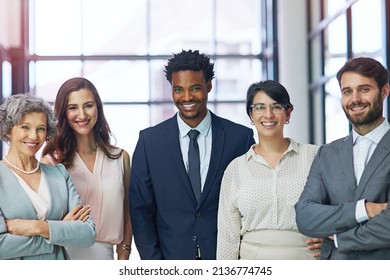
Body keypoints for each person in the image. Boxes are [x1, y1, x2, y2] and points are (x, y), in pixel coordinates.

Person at [129, 49, 255, 260]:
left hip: (227, 259)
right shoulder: (149, 142)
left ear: (209, 86)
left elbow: (251, 202)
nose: (186, 97)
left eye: (195, 88)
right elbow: (141, 209)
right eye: (179, 89)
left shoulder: (239, 139)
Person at [295, 57, 390, 259]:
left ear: (384, 91)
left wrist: (337, 239)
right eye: (347, 91)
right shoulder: (327, 154)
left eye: (364, 89)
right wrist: (363, 210)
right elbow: (304, 216)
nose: (355, 99)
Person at [217, 80, 321, 260]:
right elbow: (228, 236)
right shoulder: (236, 169)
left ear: (288, 113)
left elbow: (338, 208)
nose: (268, 115)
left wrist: (333, 238)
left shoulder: (315, 157)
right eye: (259, 107)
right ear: (250, 115)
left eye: (276, 107)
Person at [41, 77, 132, 260]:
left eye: (88, 105)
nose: (82, 115)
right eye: (73, 108)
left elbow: (128, 210)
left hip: (106, 256)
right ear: (63, 113)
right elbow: (43, 217)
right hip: (64, 254)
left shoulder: (120, 158)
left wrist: (124, 252)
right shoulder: (51, 161)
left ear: (97, 107)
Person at [0, 94, 96, 260]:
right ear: (8, 129)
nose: (33, 136)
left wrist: (36, 227)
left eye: (41, 129)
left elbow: (88, 233)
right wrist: (59, 233)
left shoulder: (58, 174)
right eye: (25, 127)